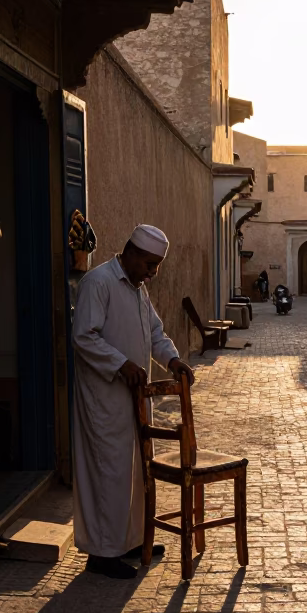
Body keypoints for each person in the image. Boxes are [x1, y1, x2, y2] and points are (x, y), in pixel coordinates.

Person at [71, 224, 194, 579]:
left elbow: (154, 331)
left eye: (157, 266)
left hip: (134, 399)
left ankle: (130, 540)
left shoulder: (138, 288)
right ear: (131, 253)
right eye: (149, 264)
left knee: (135, 468)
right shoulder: (98, 283)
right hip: (104, 399)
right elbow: (84, 336)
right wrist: (121, 364)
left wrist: (171, 360)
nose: (153, 272)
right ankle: (102, 552)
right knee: (108, 471)